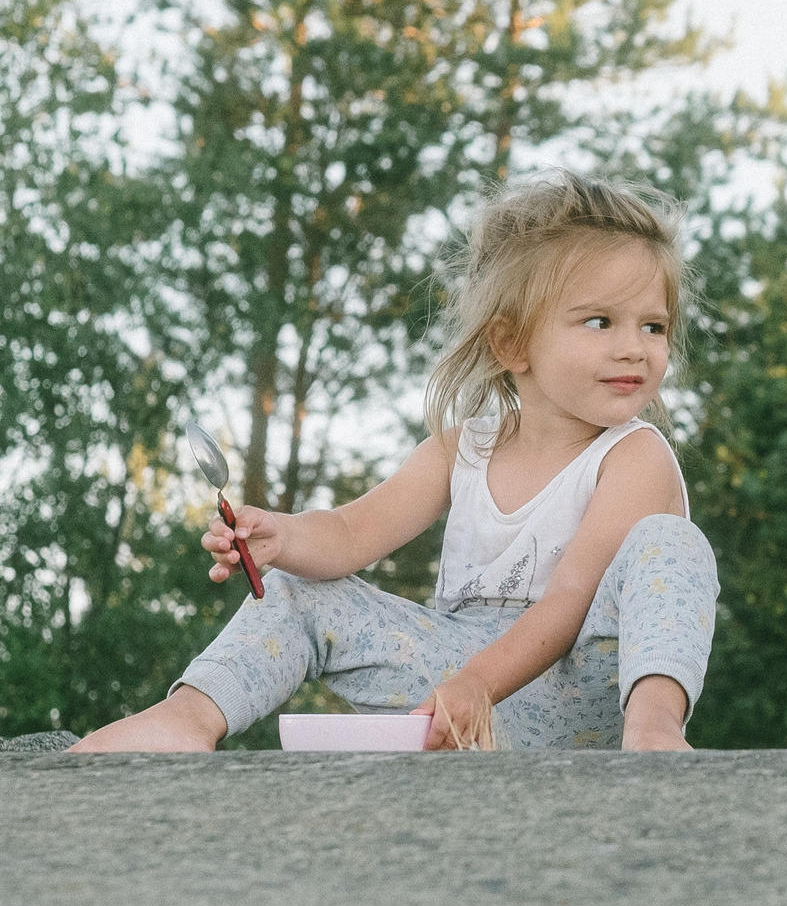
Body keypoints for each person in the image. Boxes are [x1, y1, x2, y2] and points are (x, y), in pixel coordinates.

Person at [73, 172, 717, 753]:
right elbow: (352, 535)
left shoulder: (633, 456)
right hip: (460, 684)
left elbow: (569, 602)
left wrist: (476, 686)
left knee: (671, 543)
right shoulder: (460, 450)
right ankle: (190, 716)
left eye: (653, 327)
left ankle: (657, 731)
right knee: (297, 590)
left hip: (585, 695)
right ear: (512, 341)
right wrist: (279, 536)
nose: (635, 348)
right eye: (600, 321)